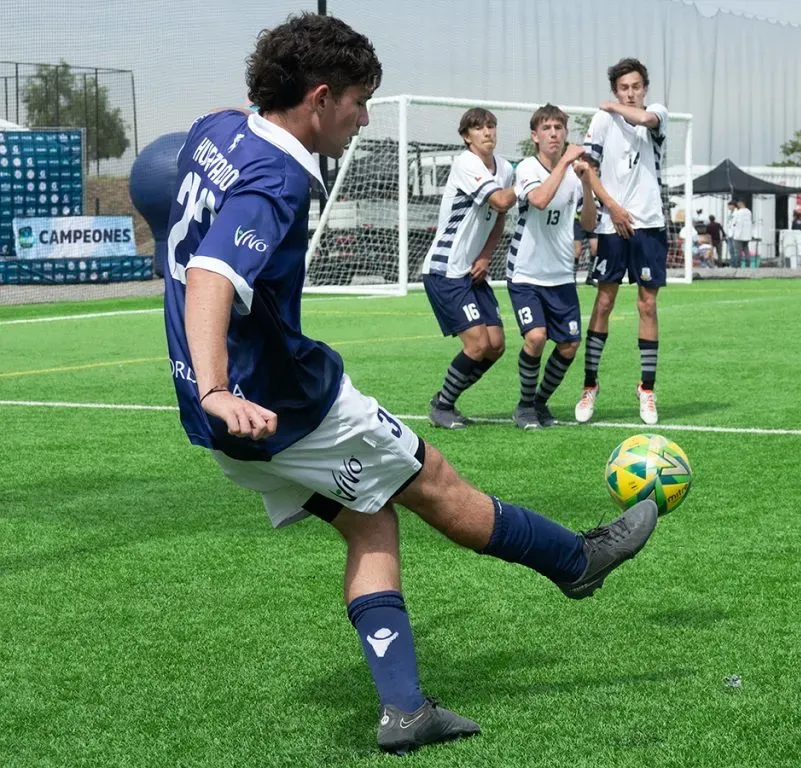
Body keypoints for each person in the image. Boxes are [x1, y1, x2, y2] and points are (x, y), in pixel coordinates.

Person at [162, 14, 659, 756]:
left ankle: (405, 710)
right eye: (359, 102)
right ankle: (575, 562)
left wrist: (205, 396)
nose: (364, 119)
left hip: (228, 421)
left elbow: (196, 153)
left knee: (370, 521)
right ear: (320, 97)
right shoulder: (279, 173)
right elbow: (210, 276)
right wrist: (215, 387)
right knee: (438, 486)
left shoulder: (215, 131)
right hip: (284, 404)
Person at [574, 58, 669, 426]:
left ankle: (646, 389)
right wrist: (611, 207)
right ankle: (590, 386)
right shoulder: (601, 122)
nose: (631, 93)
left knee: (647, 306)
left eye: (636, 87)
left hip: (649, 225)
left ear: (644, 87)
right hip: (613, 224)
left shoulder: (657, 114)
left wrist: (617, 106)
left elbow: (644, 119)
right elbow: (587, 169)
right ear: (616, 89)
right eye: (623, 88)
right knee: (604, 303)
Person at [421, 108, 515, 428]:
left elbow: (500, 218)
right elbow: (502, 202)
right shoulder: (466, 163)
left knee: (496, 346)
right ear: (466, 137)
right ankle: (442, 406)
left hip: (473, 272)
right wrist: (533, 181)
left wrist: (486, 256)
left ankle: (445, 400)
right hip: (445, 270)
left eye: (491, 126)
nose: (487, 132)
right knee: (476, 345)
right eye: (479, 128)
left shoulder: (503, 168)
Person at [507, 104, 597, 428]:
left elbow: (588, 223)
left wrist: (586, 183)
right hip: (526, 273)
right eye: (547, 128)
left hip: (561, 275)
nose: (554, 133)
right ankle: (524, 406)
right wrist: (567, 164)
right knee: (536, 337)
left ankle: (540, 404)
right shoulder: (527, 168)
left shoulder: (573, 175)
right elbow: (540, 200)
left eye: (559, 127)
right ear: (535, 135)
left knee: (570, 344)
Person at [733, 199, 754, 268]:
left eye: (738, 204)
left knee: (738, 252)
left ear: (740, 203)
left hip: (738, 235)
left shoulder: (738, 212)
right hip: (747, 235)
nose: (737, 205)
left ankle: (738, 266)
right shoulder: (749, 212)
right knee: (746, 251)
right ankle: (748, 265)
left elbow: (734, 223)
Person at [726, 200, 739, 267]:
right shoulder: (730, 213)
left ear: (733, 206)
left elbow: (735, 224)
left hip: (734, 235)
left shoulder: (737, 213)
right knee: (731, 250)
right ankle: (732, 264)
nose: (728, 207)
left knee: (735, 250)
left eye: (729, 205)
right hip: (729, 235)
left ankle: (736, 265)